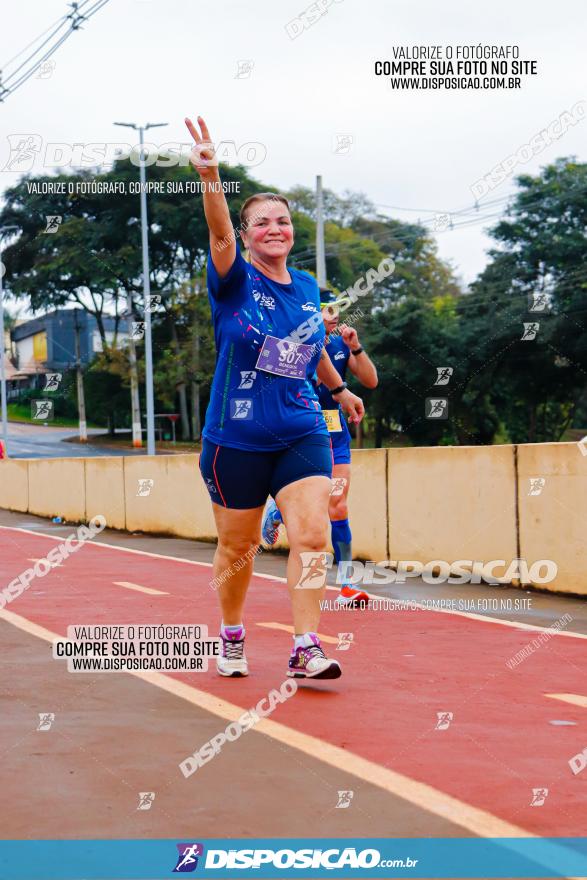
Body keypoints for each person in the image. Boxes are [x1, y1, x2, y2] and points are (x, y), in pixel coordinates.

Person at [185, 115, 365, 680]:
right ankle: (232, 633)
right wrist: (210, 175)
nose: (275, 228)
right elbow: (217, 231)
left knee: (313, 537)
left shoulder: (309, 287)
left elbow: (309, 348)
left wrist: (339, 389)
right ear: (246, 234)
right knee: (237, 549)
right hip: (234, 436)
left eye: (283, 221)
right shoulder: (233, 278)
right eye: (261, 222)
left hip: (301, 427)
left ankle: (305, 645)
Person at [262, 291, 378, 607]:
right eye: (327, 309)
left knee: (337, 505)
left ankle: (347, 585)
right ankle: (280, 511)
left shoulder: (341, 344)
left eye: (337, 309)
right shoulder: (294, 344)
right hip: (303, 434)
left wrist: (356, 347)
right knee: (312, 509)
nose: (335, 315)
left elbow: (370, 381)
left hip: (335, 435)